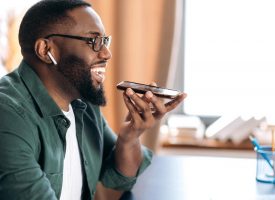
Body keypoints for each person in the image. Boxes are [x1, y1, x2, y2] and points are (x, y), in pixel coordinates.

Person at [0, 0, 186, 200]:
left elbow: (111, 191)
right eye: (94, 42)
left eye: (105, 41)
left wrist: (130, 137)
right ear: (46, 50)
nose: (106, 53)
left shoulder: (83, 105)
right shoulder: (8, 115)